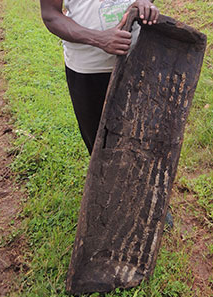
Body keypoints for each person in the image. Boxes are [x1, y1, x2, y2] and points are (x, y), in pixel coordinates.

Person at [40, 0, 174, 228]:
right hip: (88, 70)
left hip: (138, 60)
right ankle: (115, 199)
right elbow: (51, 15)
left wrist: (145, 4)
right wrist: (98, 38)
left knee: (144, 133)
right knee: (101, 143)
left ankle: (147, 199)